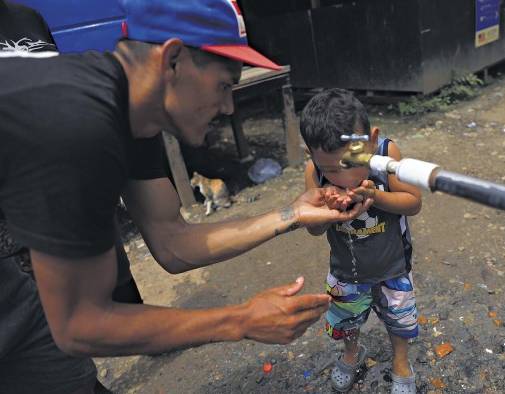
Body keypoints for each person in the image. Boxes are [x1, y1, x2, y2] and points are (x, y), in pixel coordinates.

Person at [0, 1, 374, 393]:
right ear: (173, 59)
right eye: (224, 84)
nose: (229, 106)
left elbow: (172, 243)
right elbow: (80, 325)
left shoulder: (131, 115)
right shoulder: (76, 123)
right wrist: (241, 320)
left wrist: (293, 213)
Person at [300, 89, 422, 393]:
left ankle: (401, 362)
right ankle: (353, 353)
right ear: (312, 156)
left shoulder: (386, 154)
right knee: (347, 319)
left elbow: (413, 202)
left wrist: (376, 196)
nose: (344, 179)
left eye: (352, 163)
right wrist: (326, 211)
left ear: (371, 140)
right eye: (330, 170)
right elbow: (312, 229)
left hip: (393, 265)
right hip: (345, 271)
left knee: (399, 319)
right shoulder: (313, 172)